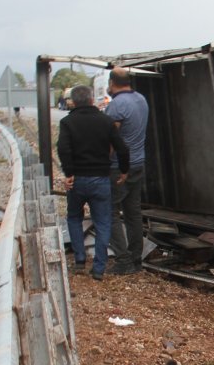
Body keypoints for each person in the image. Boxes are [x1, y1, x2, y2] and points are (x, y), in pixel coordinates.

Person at [58, 85, 126, 280]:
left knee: (73, 218)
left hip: (77, 180)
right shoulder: (106, 121)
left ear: (73, 102)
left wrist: (69, 172)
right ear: (90, 100)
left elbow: (63, 148)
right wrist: (124, 170)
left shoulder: (67, 122)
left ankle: (79, 260)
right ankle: (98, 268)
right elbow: (122, 148)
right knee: (103, 222)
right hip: (101, 179)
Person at [104, 67, 150, 275]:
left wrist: (102, 162)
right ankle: (136, 259)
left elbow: (111, 140)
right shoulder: (141, 99)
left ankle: (123, 261)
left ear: (112, 83)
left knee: (110, 212)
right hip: (138, 163)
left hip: (118, 167)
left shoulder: (116, 105)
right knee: (133, 213)